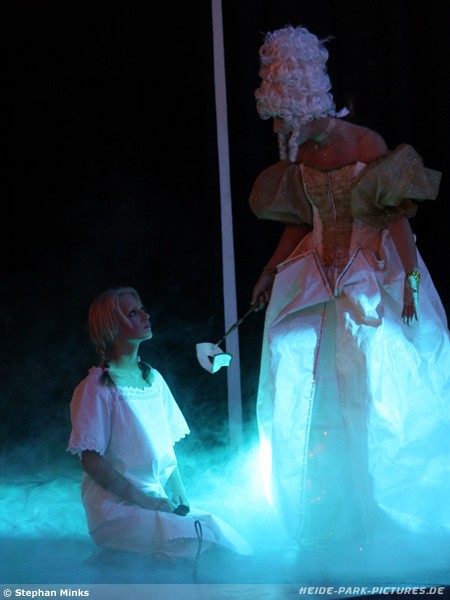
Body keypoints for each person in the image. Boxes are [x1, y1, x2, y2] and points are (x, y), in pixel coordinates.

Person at [248, 24, 450, 550]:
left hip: (369, 267)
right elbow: (299, 219)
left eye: (289, 121)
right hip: (316, 271)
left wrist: (409, 280)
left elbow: (396, 218)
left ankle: (387, 518)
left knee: (374, 378)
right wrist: (270, 271)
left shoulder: (364, 143)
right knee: (294, 358)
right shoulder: (299, 154)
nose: (284, 133)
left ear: (311, 110)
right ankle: (320, 511)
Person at [67, 286, 252, 563]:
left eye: (142, 309)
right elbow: (91, 461)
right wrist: (148, 502)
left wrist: (179, 497)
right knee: (200, 546)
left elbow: (166, 452)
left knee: (224, 539)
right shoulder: (97, 387)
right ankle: (120, 557)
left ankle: (137, 556)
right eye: (133, 313)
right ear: (111, 327)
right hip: (117, 511)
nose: (145, 315)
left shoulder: (153, 379)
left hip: (154, 505)